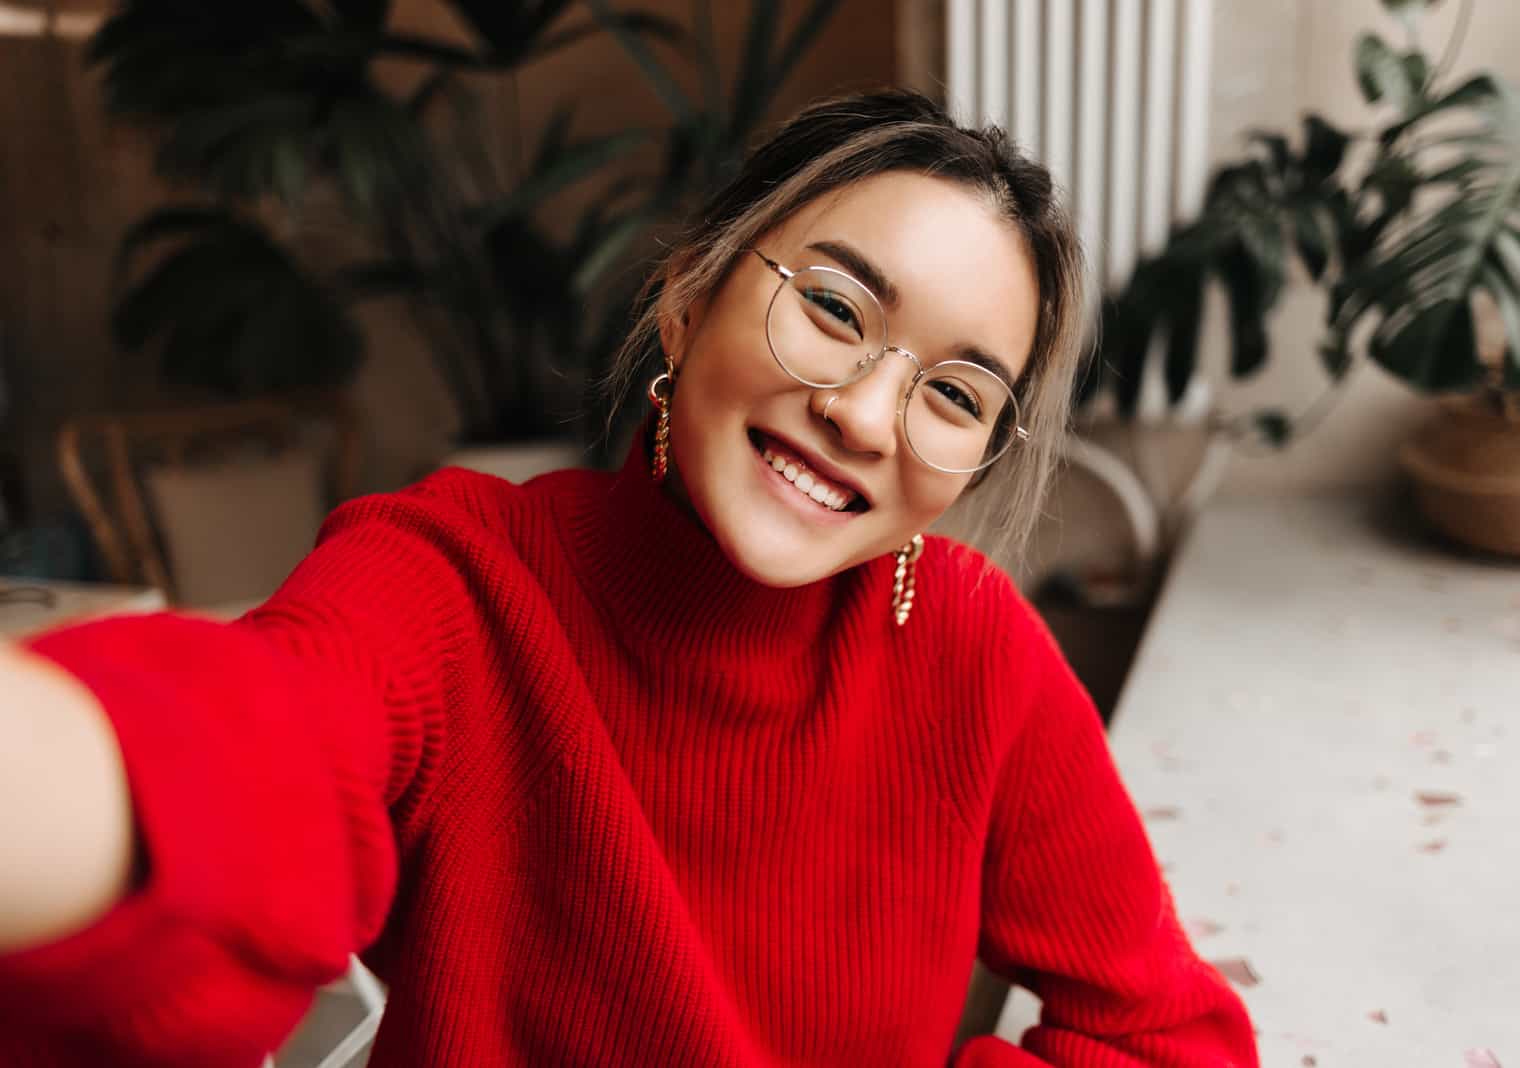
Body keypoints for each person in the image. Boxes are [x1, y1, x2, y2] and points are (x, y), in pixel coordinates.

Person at [0, 89, 1258, 1067]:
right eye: (831, 308)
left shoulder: (972, 650)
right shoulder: (459, 579)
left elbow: (1164, 1035)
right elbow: (245, 748)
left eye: (953, 393)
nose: (867, 414)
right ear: (684, 297)